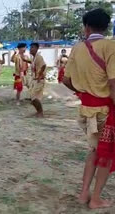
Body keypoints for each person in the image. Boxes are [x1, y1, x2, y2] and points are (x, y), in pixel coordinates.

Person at [63, 8, 115, 209]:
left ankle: (84, 194)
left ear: (86, 27)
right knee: (106, 154)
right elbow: (113, 83)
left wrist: (83, 92)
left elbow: (66, 80)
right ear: (107, 26)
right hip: (105, 111)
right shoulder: (110, 46)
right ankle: (95, 199)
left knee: (94, 150)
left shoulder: (77, 48)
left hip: (86, 110)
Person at [22, 43, 46, 117]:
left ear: (36, 49)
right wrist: (25, 60)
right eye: (30, 47)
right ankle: (38, 111)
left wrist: (39, 76)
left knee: (34, 97)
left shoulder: (39, 57)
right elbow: (32, 62)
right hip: (35, 80)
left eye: (32, 47)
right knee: (32, 98)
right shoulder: (34, 58)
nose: (30, 49)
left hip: (39, 80)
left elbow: (43, 66)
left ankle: (40, 112)